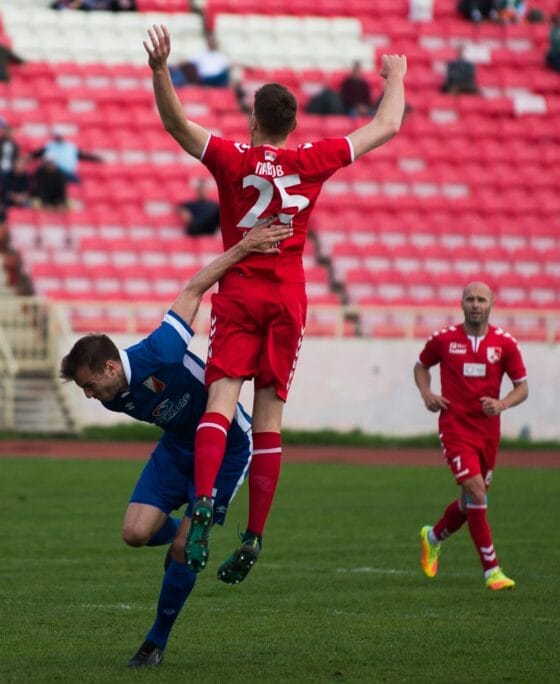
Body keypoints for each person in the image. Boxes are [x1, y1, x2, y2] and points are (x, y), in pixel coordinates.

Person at [144, 24, 407, 582]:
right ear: (293, 125)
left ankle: (202, 505)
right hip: (288, 296)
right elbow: (388, 124)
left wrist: (161, 69)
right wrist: (396, 75)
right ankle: (256, 533)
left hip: (239, 289)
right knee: (270, 419)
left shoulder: (234, 158)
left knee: (220, 402)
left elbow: (174, 123)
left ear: (255, 121)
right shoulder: (314, 158)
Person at [60, 219, 293, 668]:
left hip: (226, 446)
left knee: (185, 545)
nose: (89, 396)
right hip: (176, 449)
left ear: (110, 367)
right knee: (134, 533)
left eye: (89, 385)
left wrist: (244, 248)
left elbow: (193, 290)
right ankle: (183, 548)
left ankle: (155, 642)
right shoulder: (113, 398)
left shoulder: (158, 352)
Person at [414, 282, 527, 592]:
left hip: (488, 433)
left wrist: (503, 403)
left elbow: (522, 387)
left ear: (491, 304)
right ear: (461, 303)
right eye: (470, 299)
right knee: (477, 493)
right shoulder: (444, 340)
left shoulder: (505, 344)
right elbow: (421, 366)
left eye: (481, 299)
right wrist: (427, 393)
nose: (475, 304)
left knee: (470, 503)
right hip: (455, 428)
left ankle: (432, 537)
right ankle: (492, 570)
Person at [31, 128, 102, 183]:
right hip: (54, 172)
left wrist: (97, 158)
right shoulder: (49, 146)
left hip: (67, 173)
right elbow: (36, 155)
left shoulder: (70, 147)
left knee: (78, 183)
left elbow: (83, 156)